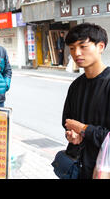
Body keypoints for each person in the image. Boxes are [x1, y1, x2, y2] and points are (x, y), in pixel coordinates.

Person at [61, 23, 110, 179]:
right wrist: (72, 134)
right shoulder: (76, 85)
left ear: (100, 47)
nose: (77, 53)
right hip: (79, 166)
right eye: (73, 48)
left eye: (83, 46)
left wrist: (83, 129)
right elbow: (67, 121)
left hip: (104, 169)